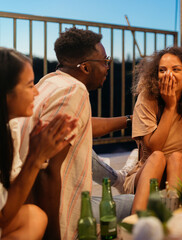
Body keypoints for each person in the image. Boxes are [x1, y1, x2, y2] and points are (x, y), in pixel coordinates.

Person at [18, 28, 133, 240]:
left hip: (41, 201)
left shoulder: (50, 82)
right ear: (86, 67)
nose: (108, 66)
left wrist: (129, 121)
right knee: (143, 203)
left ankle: (119, 179)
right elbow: (48, 171)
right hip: (60, 210)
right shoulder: (74, 91)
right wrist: (54, 235)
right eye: (104, 61)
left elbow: (83, 125)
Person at [0, 47, 77, 240]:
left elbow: (9, 203)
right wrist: (36, 158)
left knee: (35, 217)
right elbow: (3, 217)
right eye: (29, 85)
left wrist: (37, 152)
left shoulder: (11, 128)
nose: (36, 92)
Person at [123, 46, 182, 213]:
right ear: (156, 75)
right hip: (149, 170)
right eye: (162, 70)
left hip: (180, 170)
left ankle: (173, 221)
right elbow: (154, 148)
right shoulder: (147, 98)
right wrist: (170, 107)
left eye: (176, 69)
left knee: (177, 157)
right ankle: (136, 224)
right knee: (159, 157)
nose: (168, 75)